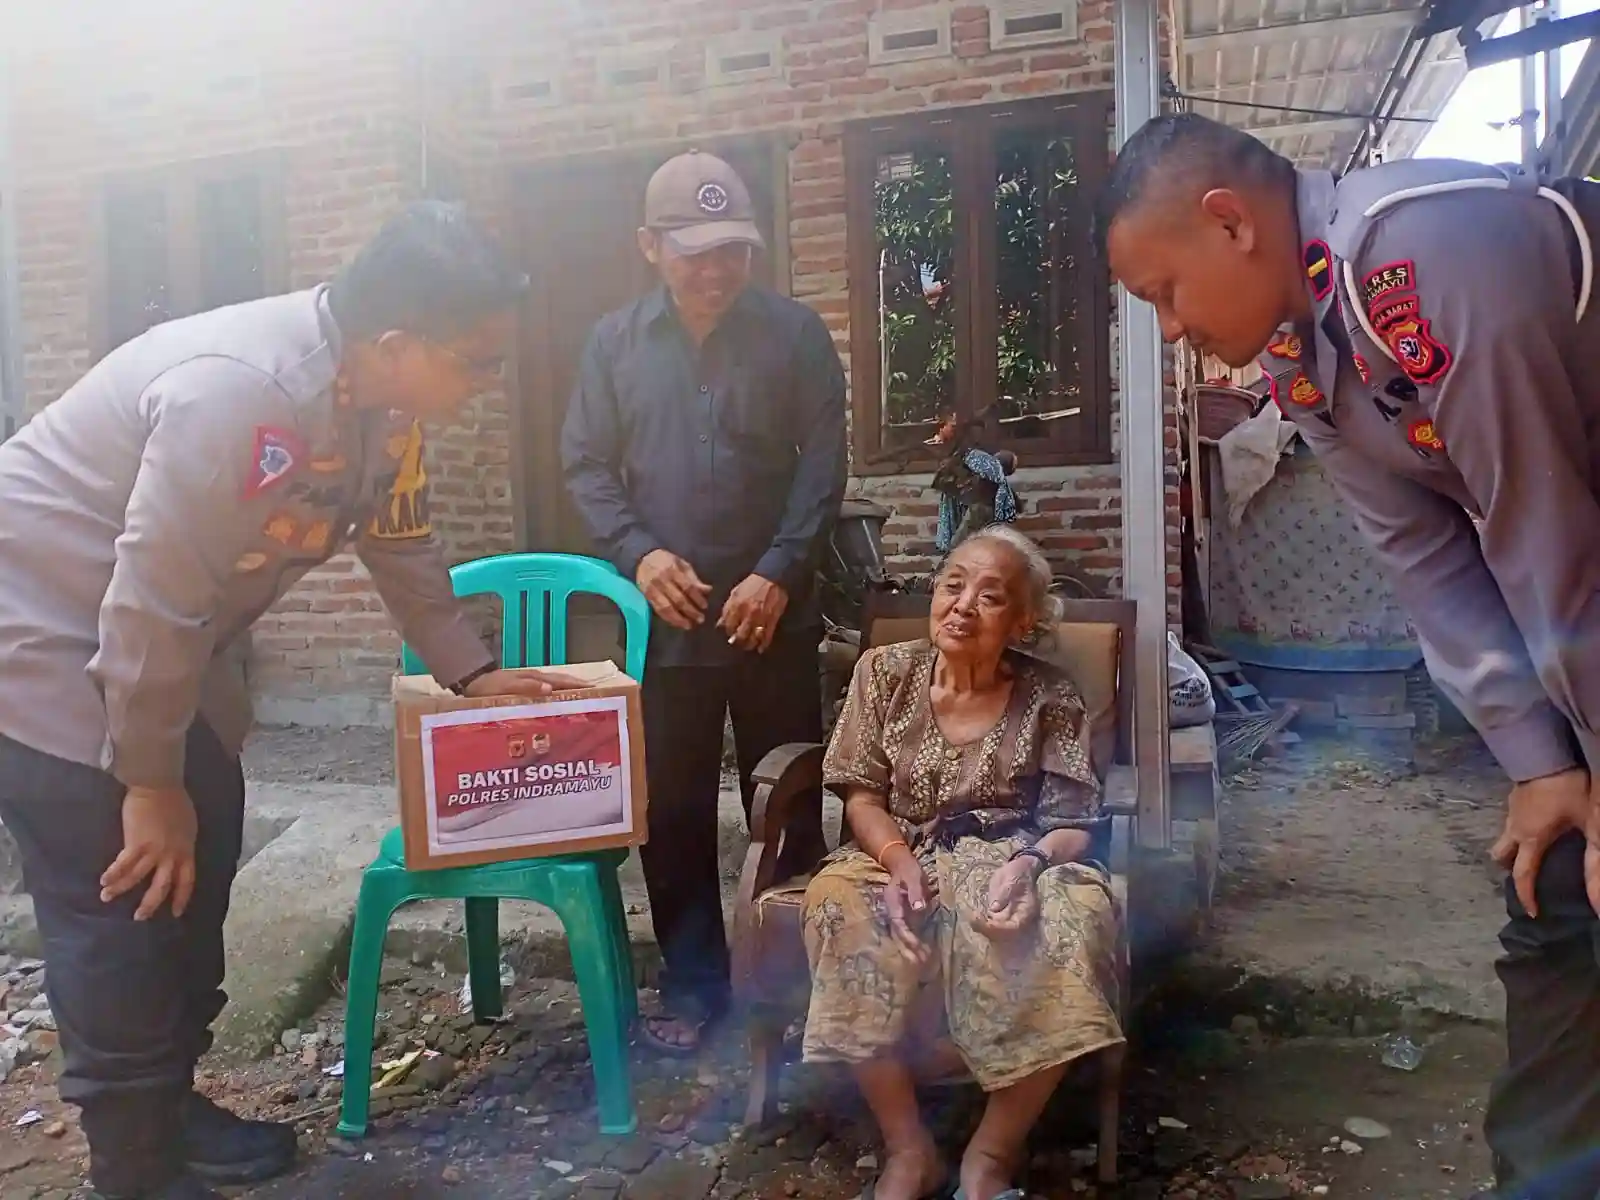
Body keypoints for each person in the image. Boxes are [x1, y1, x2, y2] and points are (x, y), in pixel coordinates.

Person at [0, 201, 582, 1200]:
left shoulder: (383, 408)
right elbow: (150, 601)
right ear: (395, 345)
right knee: (123, 899)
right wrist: (147, 784)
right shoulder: (240, 395)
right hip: (44, 646)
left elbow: (399, 537)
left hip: (160, 653)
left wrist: (470, 670)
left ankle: (170, 1107)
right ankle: (134, 1167)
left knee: (205, 844)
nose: (485, 385)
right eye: (475, 363)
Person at [1095, 111, 1600, 1199]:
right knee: (1556, 887)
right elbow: (1426, 557)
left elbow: (1544, 529)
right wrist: (1543, 765)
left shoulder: (1420, 255)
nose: (1172, 330)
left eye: (1165, 293)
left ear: (1229, 222)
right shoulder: (1302, 356)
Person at [561, 149, 848, 1055]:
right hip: (667, 620)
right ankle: (693, 986)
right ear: (651, 246)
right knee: (673, 808)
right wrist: (639, 556)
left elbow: (823, 468)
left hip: (773, 615)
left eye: (733, 249)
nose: (717, 269)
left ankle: (787, 986)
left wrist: (780, 570)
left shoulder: (795, 336)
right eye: (696, 251)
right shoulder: (613, 344)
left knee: (789, 797)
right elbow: (585, 465)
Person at [801, 526, 1122, 1200]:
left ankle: (990, 1158)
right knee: (837, 904)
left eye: (991, 596)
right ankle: (909, 1150)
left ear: (1023, 621)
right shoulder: (883, 672)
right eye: (953, 585)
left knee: (1077, 917)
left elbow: (1074, 823)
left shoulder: (1051, 695)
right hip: (898, 849)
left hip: (1012, 853)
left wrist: (1027, 866)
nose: (963, 605)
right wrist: (897, 863)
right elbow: (862, 796)